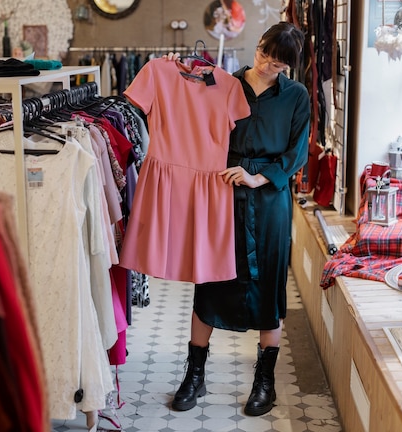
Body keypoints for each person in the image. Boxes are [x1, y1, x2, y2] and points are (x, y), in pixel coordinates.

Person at [166, 21, 310, 416]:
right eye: (265, 55)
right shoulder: (224, 85)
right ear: (259, 45)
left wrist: (258, 176)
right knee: (211, 280)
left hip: (269, 202)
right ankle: (194, 375)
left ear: (289, 68)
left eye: (278, 65)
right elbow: (194, 128)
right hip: (222, 194)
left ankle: (264, 383)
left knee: (270, 283)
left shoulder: (296, 97)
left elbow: (297, 153)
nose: (267, 66)